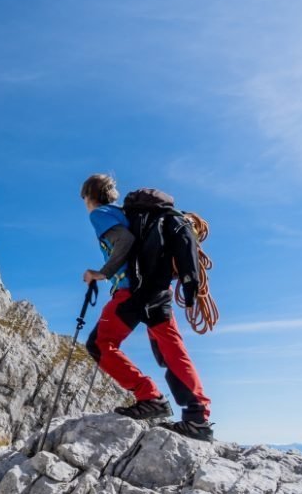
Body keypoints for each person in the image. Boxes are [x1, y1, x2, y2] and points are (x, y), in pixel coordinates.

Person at [80, 174, 213, 441]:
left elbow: (125, 243)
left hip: (133, 291)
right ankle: (197, 418)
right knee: (171, 349)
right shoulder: (130, 214)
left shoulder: (101, 214)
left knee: (99, 344)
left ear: (88, 196)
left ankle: (149, 396)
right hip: (157, 288)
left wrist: (101, 273)